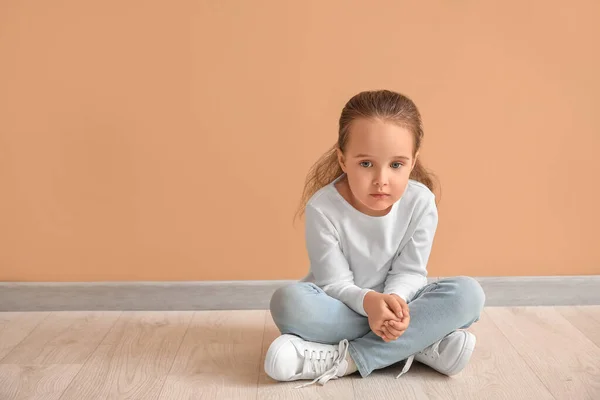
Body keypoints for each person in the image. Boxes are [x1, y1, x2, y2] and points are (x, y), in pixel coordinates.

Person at [263, 89, 486, 388]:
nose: (382, 179)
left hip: (403, 303)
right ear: (343, 160)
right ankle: (420, 343)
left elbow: (409, 272)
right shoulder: (323, 208)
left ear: (413, 161)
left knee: (469, 294)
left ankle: (347, 360)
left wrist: (393, 303)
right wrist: (370, 304)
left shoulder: (421, 202)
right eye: (366, 163)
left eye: (396, 165)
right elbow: (334, 283)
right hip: (341, 304)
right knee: (288, 303)